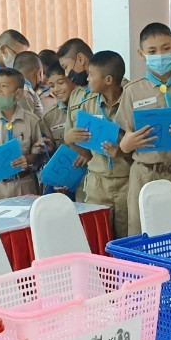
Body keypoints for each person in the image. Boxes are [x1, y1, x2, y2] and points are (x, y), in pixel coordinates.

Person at [112, 22, 171, 234]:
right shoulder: (132, 91)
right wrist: (127, 144)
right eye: (152, 51)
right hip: (145, 175)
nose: (160, 55)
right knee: (144, 237)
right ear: (141, 53)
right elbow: (121, 142)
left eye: (166, 48)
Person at [65, 50, 133, 237]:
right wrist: (70, 139)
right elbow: (85, 153)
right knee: (97, 240)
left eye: (92, 75)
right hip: (97, 184)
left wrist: (121, 151)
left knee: (127, 240)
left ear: (109, 80)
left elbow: (142, 147)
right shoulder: (87, 105)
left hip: (127, 183)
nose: (87, 79)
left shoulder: (131, 103)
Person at [0, 67, 48, 201]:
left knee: (26, 220)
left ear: (18, 93)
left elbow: (42, 152)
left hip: (24, 184)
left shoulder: (32, 120)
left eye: (4, 86)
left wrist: (29, 159)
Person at [12, 50, 47, 117]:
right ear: (39, 73)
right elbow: (26, 123)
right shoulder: (24, 92)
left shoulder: (11, 87)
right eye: (43, 73)